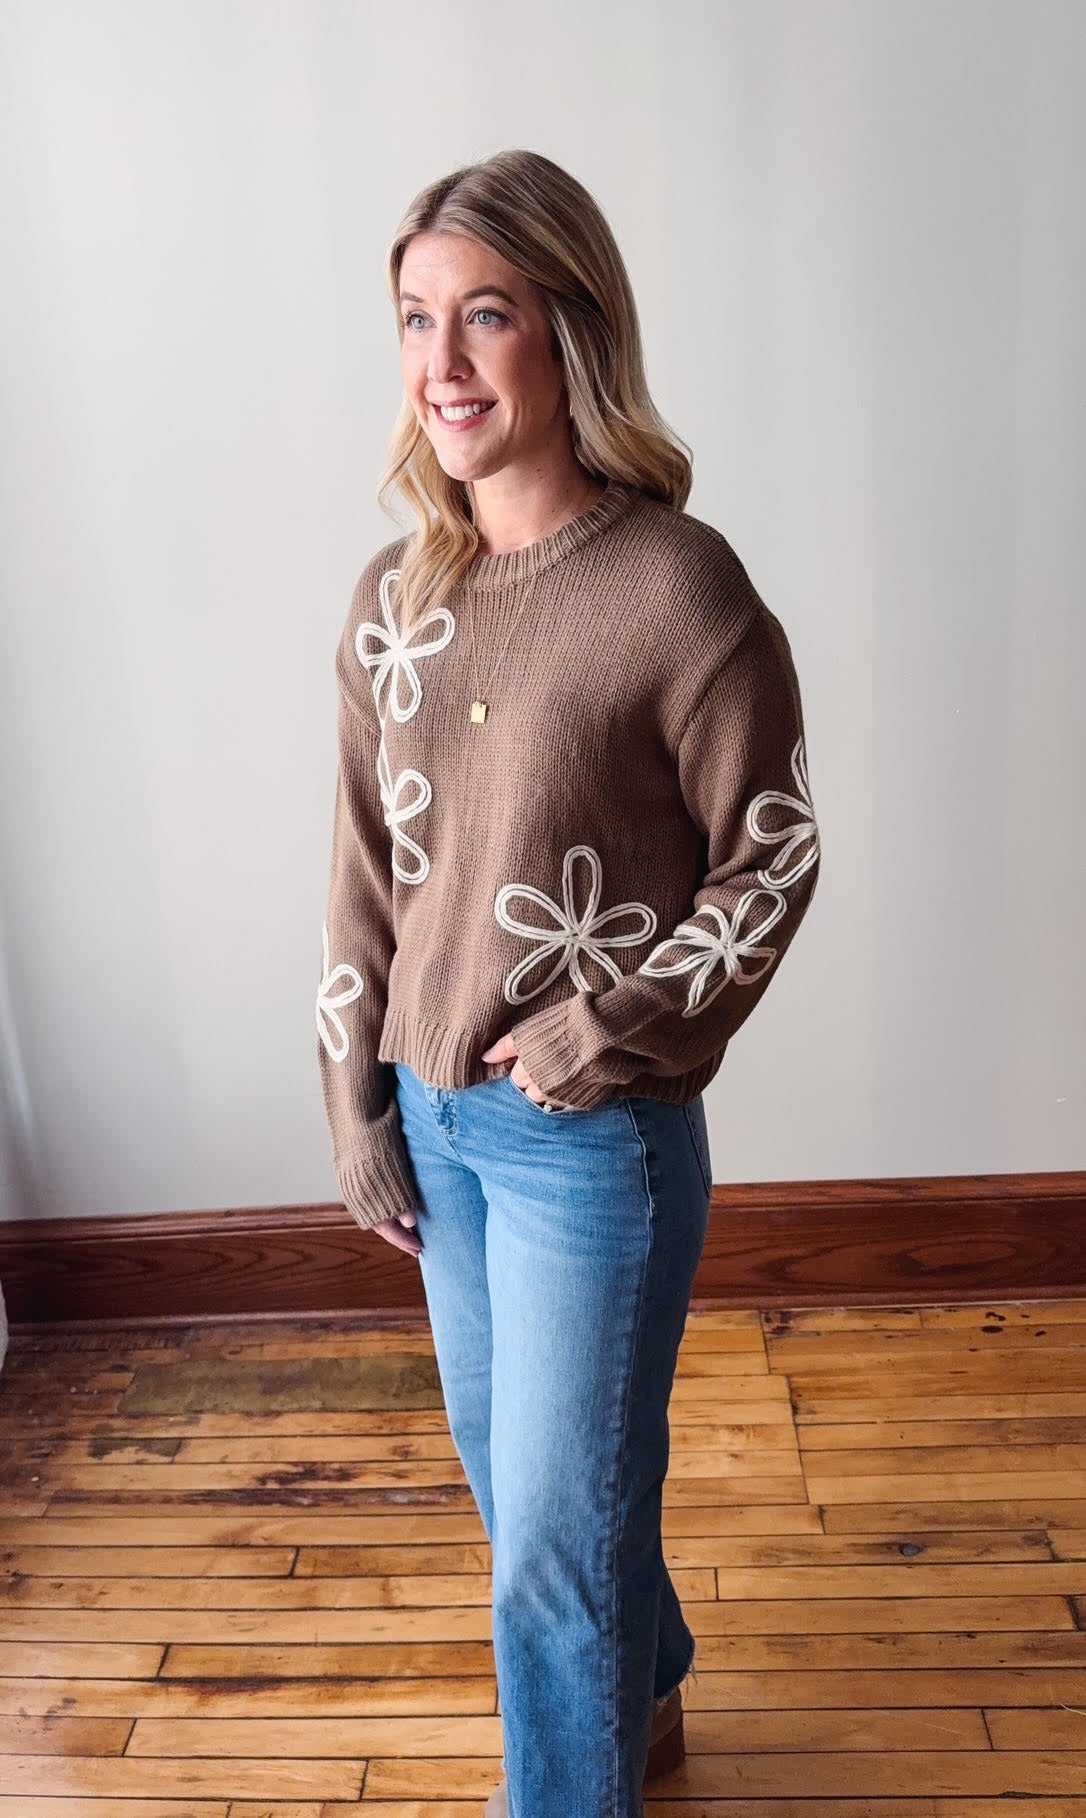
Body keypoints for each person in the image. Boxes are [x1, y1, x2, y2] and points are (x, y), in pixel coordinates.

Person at [316, 147, 821, 1818]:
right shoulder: (394, 602)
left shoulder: (676, 587)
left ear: (569, 331)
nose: (440, 362)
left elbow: (776, 857)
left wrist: (606, 1024)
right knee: (526, 1492)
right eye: (413, 320)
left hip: (585, 1142)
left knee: (549, 1540)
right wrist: (356, 1106)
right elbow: (363, 874)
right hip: (439, 1132)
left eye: (485, 317)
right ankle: (649, 1679)